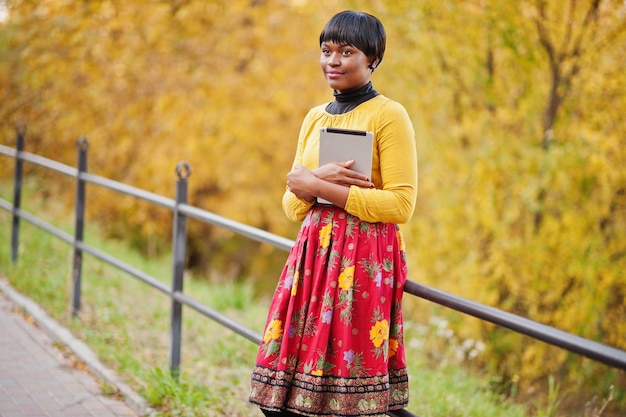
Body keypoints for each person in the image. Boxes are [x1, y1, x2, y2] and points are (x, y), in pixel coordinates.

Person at [249, 10, 418, 417]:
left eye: (346, 51)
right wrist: (312, 183)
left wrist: (322, 186)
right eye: (326, 51)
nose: (333, 61)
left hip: (363, 260)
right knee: (281, 388)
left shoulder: (388, 115)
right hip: (312, 256)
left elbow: (401, 204)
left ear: (372, 59)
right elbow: (292, 203)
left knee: (345, 397)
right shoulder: (314, 117)